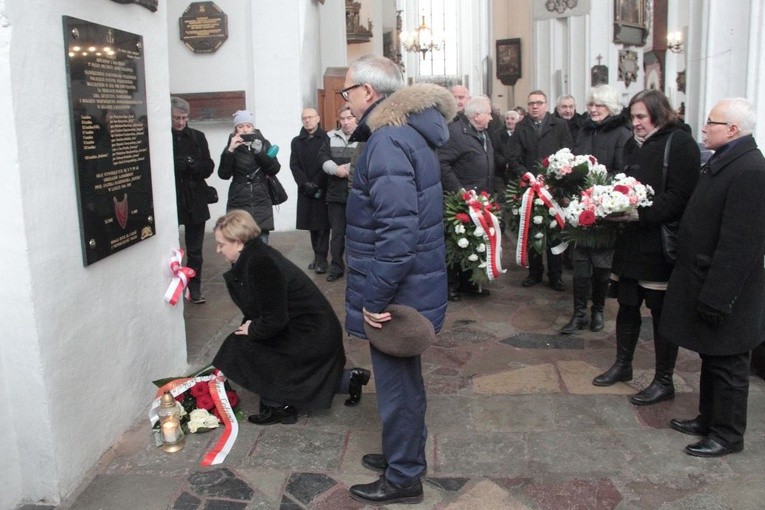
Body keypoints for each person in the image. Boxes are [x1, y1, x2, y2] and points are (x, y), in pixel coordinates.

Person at [342, 54, 454, 505]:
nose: (345, 100)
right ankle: (401, 454)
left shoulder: (388, 141)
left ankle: (404, 476)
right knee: (402, 381)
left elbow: (398, 232)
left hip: (397, 293)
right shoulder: (405, 133)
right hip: (411, 285)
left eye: (347, 91)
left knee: (397, 387)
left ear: (369, 93)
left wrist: (374, 296)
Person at [662, 98, 765, 457]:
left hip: (726, 288)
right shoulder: (725, 161)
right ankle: (708, 418)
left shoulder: (750, 169)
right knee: (712, 355)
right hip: (703, 277)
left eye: (711, 122)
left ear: (732, 130)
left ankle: (728, 434)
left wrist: (718, 297)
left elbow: (741, 245)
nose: (704, 127)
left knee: (730, 364)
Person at [592, 89, 700, 407]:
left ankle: (663, 380)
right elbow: (627, 182)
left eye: (641, 117)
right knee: (626, 304)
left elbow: (681, 195)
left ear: (659, 113)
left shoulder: (679, 143)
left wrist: (640, 213)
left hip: (658, 243)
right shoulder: (632, 144)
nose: (635, 123)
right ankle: (623, 365)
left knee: (660, 311)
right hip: (630, 241)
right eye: (633, 117)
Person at [211, 211, 371, 425]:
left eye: (221, 244)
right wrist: (252, 326)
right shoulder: (254, 256)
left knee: (243, 347)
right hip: (306, 328)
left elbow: (275, 320)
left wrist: (253, 329)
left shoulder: (261, 263)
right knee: (245, 341)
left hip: (313, 334)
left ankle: (281, 407)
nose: (218, 249)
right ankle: (348, 380)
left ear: (239, 243)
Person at [561, 85, 631, 334]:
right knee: (580, 263)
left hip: (606, 207)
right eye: (590, 104)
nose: (592, 109)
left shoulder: (622, 133)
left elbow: (623, 169)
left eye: (598, 105)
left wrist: (599, 185)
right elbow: (577, 160)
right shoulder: (584, 130)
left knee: (602, 266)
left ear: (610, 108)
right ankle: (579, 313)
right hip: (582, 206)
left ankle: (597, 310)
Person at [508, 90, 574, 291]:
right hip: (530, 187)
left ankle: (556, 275)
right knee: (532, 229)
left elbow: (568, 153)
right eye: (531, 103)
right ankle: (534, 272)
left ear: (546, 105)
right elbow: (513, 158)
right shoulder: (521, 128)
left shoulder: (559, 125)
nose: (534, 106)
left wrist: (555, 175)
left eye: (538, 103)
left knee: (554, 231)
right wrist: (527, 175)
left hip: (553, 188)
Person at [438, 94, 495, 301]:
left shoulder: (482, 132)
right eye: (489, 114)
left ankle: (469, 283)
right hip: (460, 201)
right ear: (477, 115)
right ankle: (451, 286)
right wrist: (459, 190)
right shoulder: (455, 134)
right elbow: (442, 164)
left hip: (480, 199)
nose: (491, 118)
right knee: (456, 243)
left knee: (473, 243)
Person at [170, 97, 215, 304]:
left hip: (195, 199)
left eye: (184, 117)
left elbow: (208, 167)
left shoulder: (197, 137)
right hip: (174, 199)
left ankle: (195, 287)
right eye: (176, 118)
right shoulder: (163, 137)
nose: (180, 122)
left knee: (195, 250)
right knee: (170, 249)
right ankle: (172, 284)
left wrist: (192, 165)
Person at [218, 110, 281, 245]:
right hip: (239, 200)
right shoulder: (231, 147)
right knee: (238, 245)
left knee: (261, 245)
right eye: (240, 127)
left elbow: (275, 169)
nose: (245, 130)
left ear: (253, 127)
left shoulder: (263, 143)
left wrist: (259, 153)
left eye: (248, 126)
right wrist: (230, 151)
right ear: (235, 130)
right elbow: (223, 175)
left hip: (261, 200)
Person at [290, 108, 331, 274]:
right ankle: (317, 256)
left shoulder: (326, 138)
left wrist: (316, 183)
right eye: (304, 118)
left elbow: (328, 161)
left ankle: (322, 259)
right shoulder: (296, 141)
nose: (307, 120)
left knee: (322, 225)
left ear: (318, 118)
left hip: (322, 187)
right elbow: (294, 165)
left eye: (310, 117)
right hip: (306, 189)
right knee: (311, 226)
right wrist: (305, 183)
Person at [321, 105, 358, 282]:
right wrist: (336, 170)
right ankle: (336, 266)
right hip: (335, 194)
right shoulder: (329, 137)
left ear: (355, 118)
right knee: (337, 234)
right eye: (342, 119)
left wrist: (348, 169)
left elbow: (365, 159)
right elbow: (322, 158)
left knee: (356, 233)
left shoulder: (365, 137)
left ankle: (356, 267)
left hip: (356, 193)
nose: (345, 122)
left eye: (349, 118)